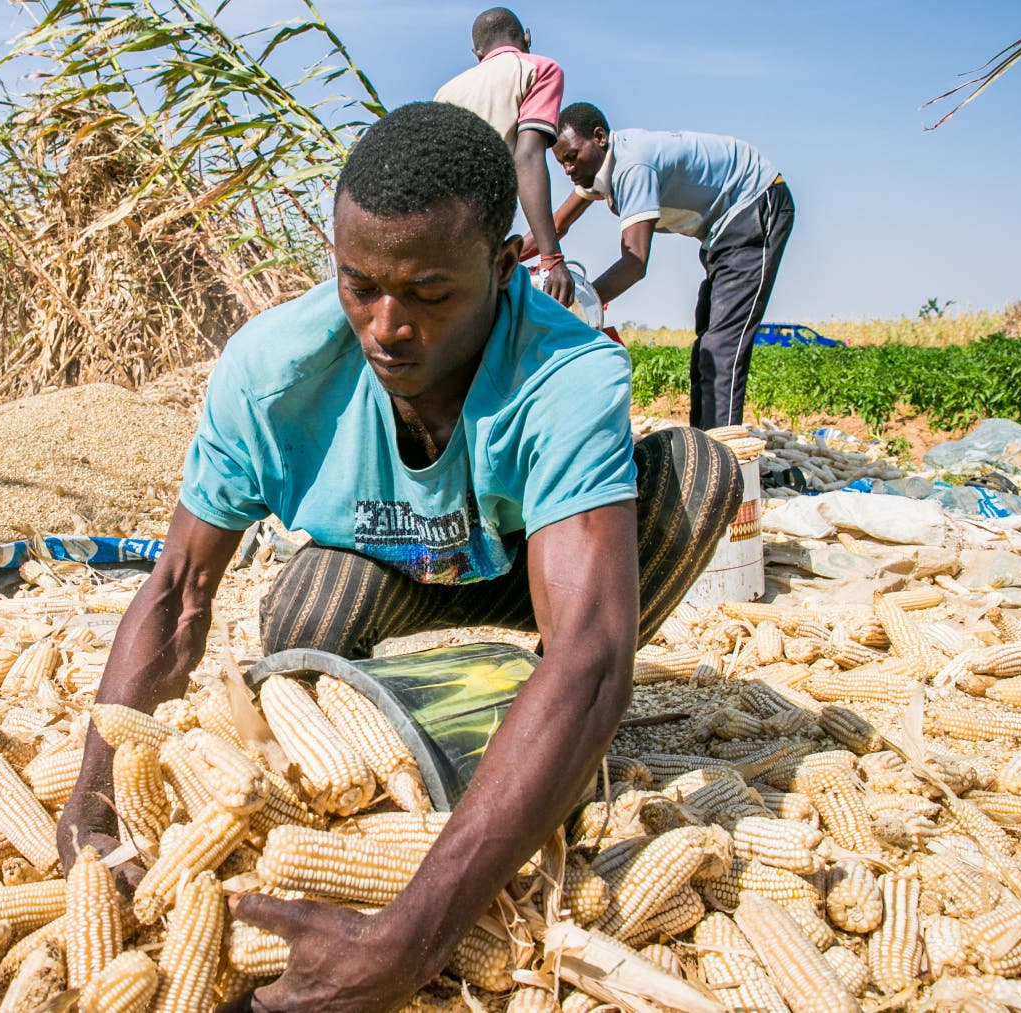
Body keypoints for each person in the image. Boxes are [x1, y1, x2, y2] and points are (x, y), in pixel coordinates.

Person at [56, 101, 741, 1012]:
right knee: (307, 614)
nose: (386, 326)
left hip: (527, 587)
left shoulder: (566, 374)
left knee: (698, 475)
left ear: (502, 267)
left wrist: (411, 936)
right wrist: (94, 795)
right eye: (360, 286)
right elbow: (178, 589)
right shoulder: (271, 376)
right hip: (400, 575)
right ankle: (424, 752)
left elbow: (592, 654)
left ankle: (528, 740)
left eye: (428, 292)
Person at [550, 102, 795, 430]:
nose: (567, 169)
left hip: (753, 202)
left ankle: (724, 453)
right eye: (560, 162)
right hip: (721, 230)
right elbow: (554, 227)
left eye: (571, 157)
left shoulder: (633, 164)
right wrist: (500, 258)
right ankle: (706, 445)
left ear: (600, 138)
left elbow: (635, 263)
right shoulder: (596, 172)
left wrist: (580, 306)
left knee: (722, 344)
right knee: (706, 342)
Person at [435, 7, 575, 308]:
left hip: (443, 235)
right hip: (484, 233)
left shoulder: (446, 92)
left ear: (477, 52)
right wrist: (551, 257)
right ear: (526, 37)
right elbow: (527, 156)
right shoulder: (539, 69)